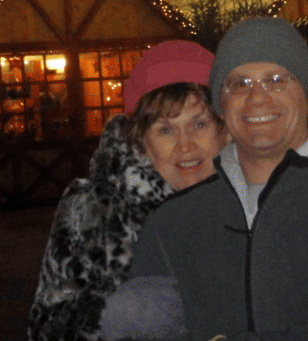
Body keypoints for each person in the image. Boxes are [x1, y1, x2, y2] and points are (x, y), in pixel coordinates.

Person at [101, 17, 308, 341]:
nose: (257, 98)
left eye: (276, 79)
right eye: (239, 83)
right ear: (222, 105)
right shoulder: (172, 222)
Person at [27, 40, 227, 341]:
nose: (185, 145)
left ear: (224, 131)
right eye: (165, 130)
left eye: (199, 124)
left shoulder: (247, 198)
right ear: (141, 139)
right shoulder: (95, 208)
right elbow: (53, 327)